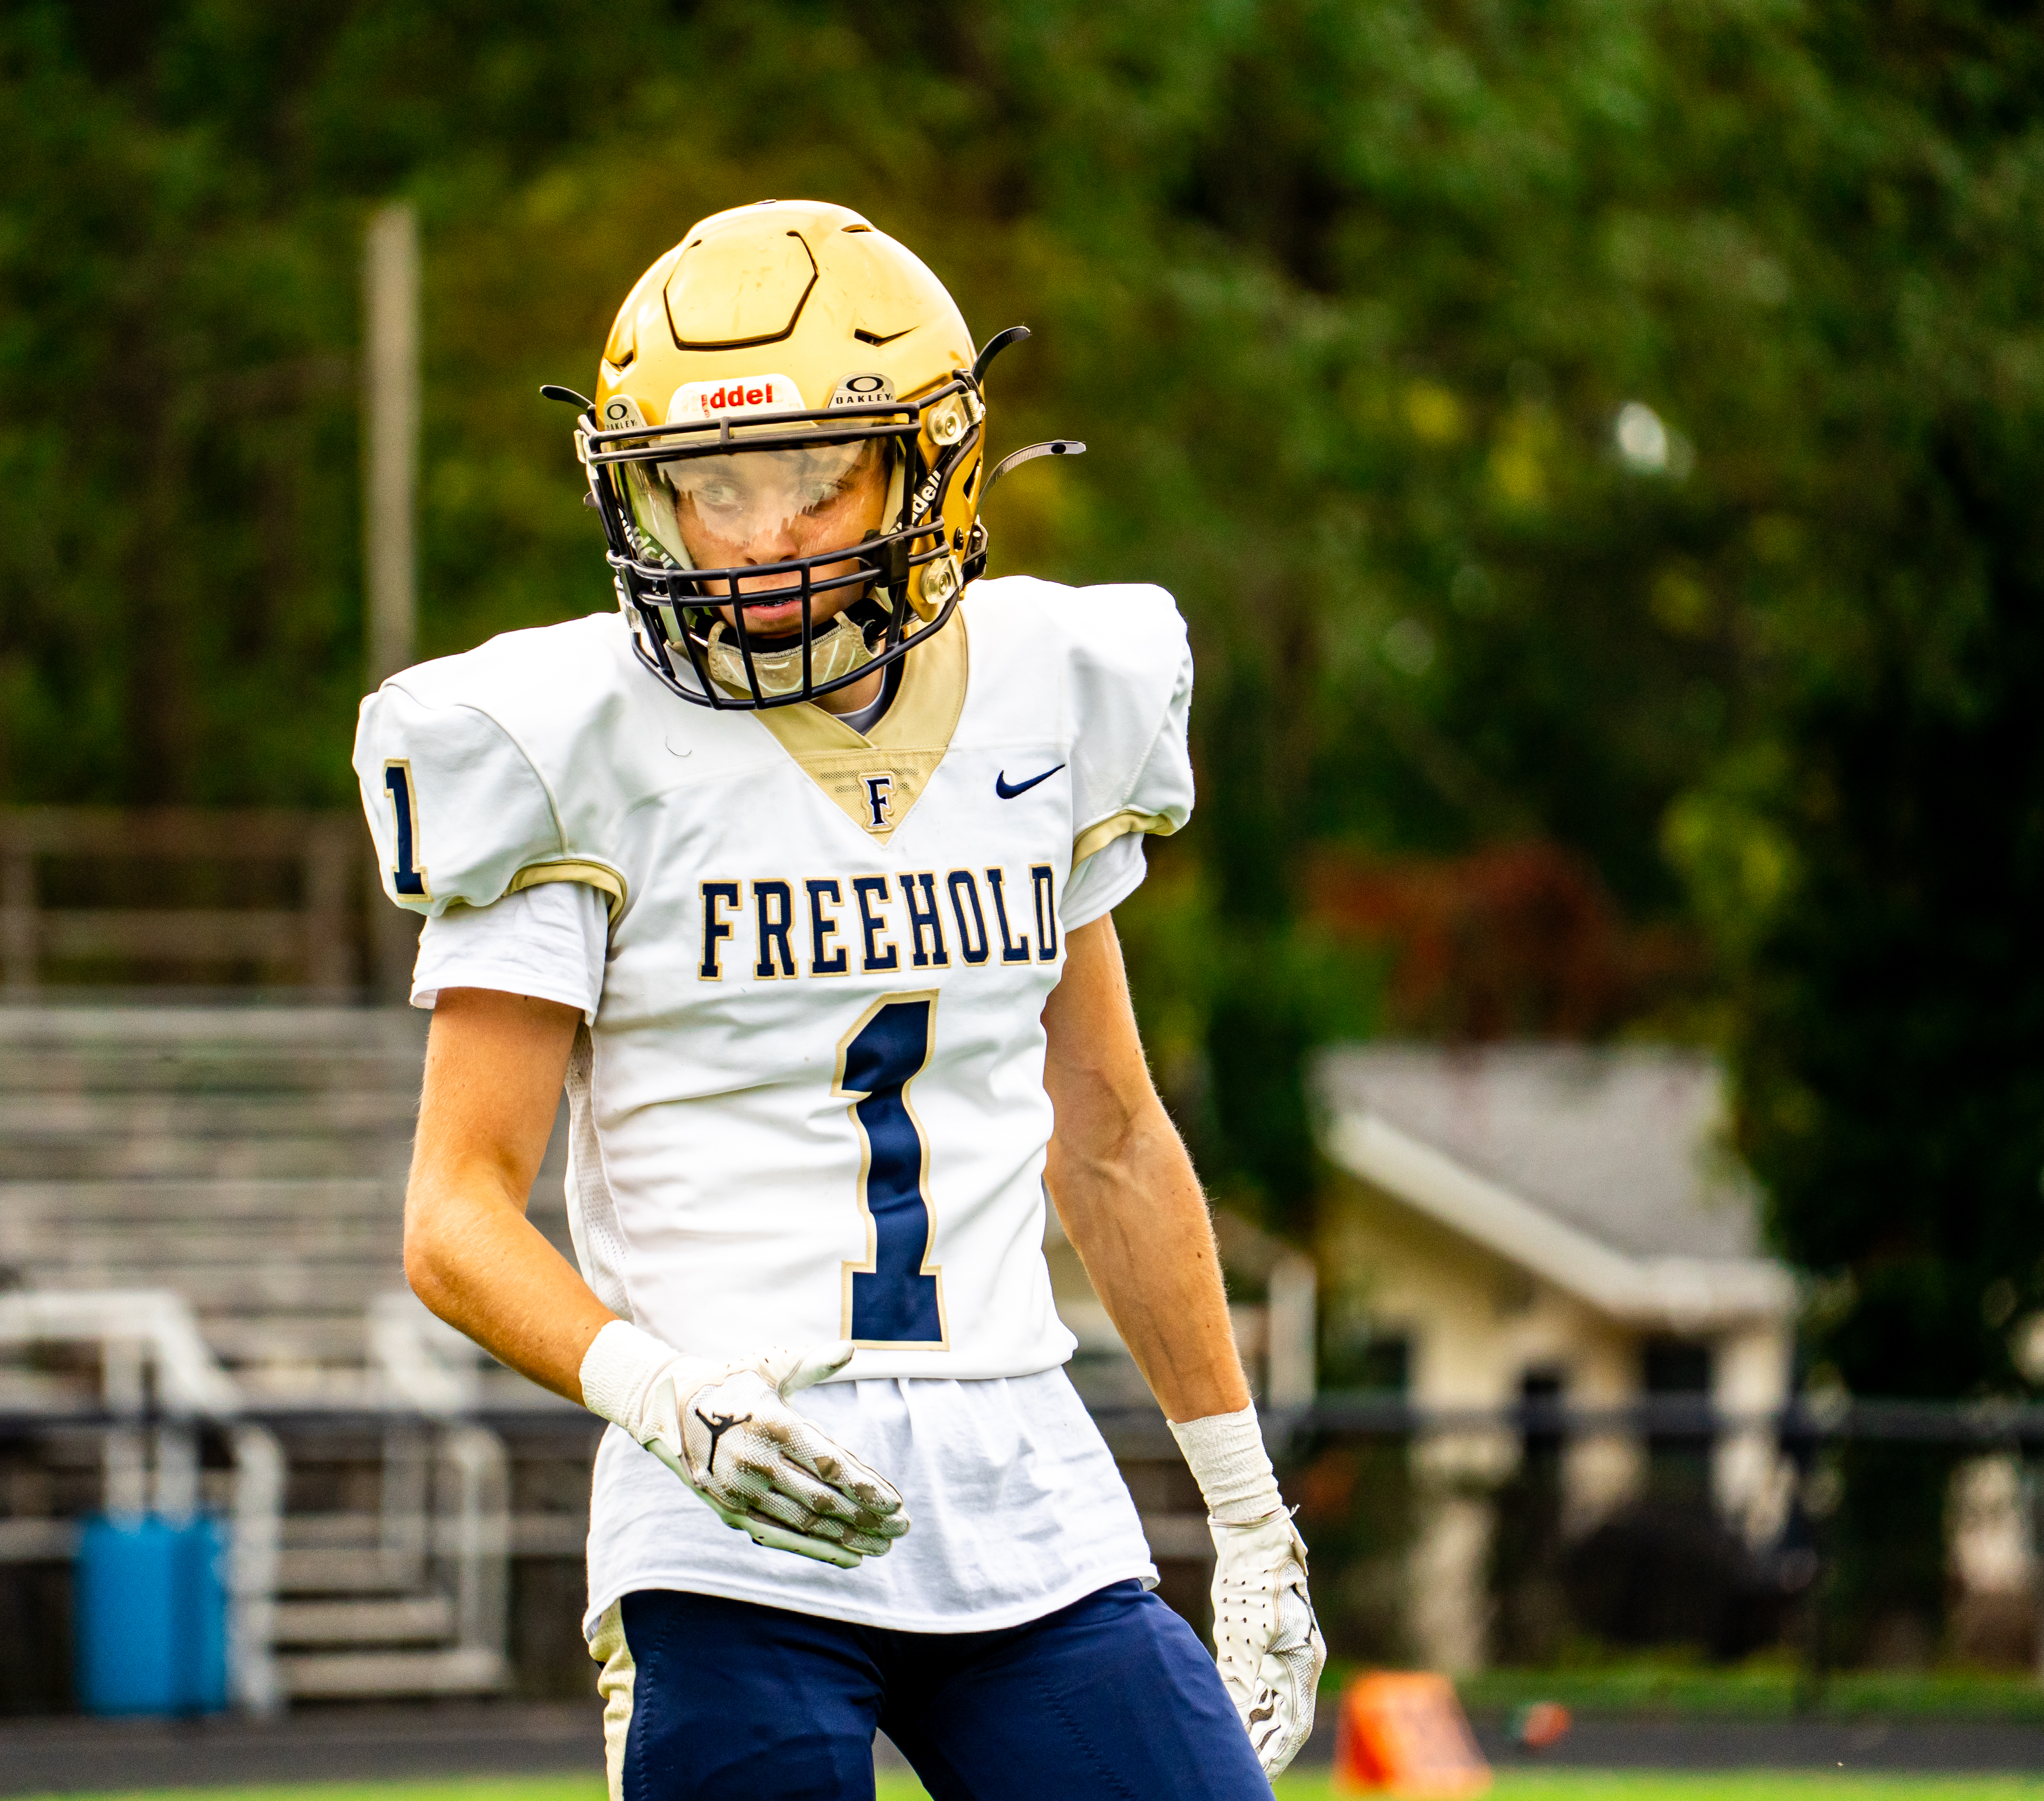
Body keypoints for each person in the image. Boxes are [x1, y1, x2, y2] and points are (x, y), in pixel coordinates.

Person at [355, 199, 1323, 1799]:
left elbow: (1113, 1134)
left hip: (1021, 1482)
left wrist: (1241, 1500)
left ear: (928, 463)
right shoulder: (555, 735)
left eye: (813, 479)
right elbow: (453, 1217)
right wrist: (662, 1396)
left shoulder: (1051, 687)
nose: (753, 535)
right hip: (729, 1507)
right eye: (707, 486)